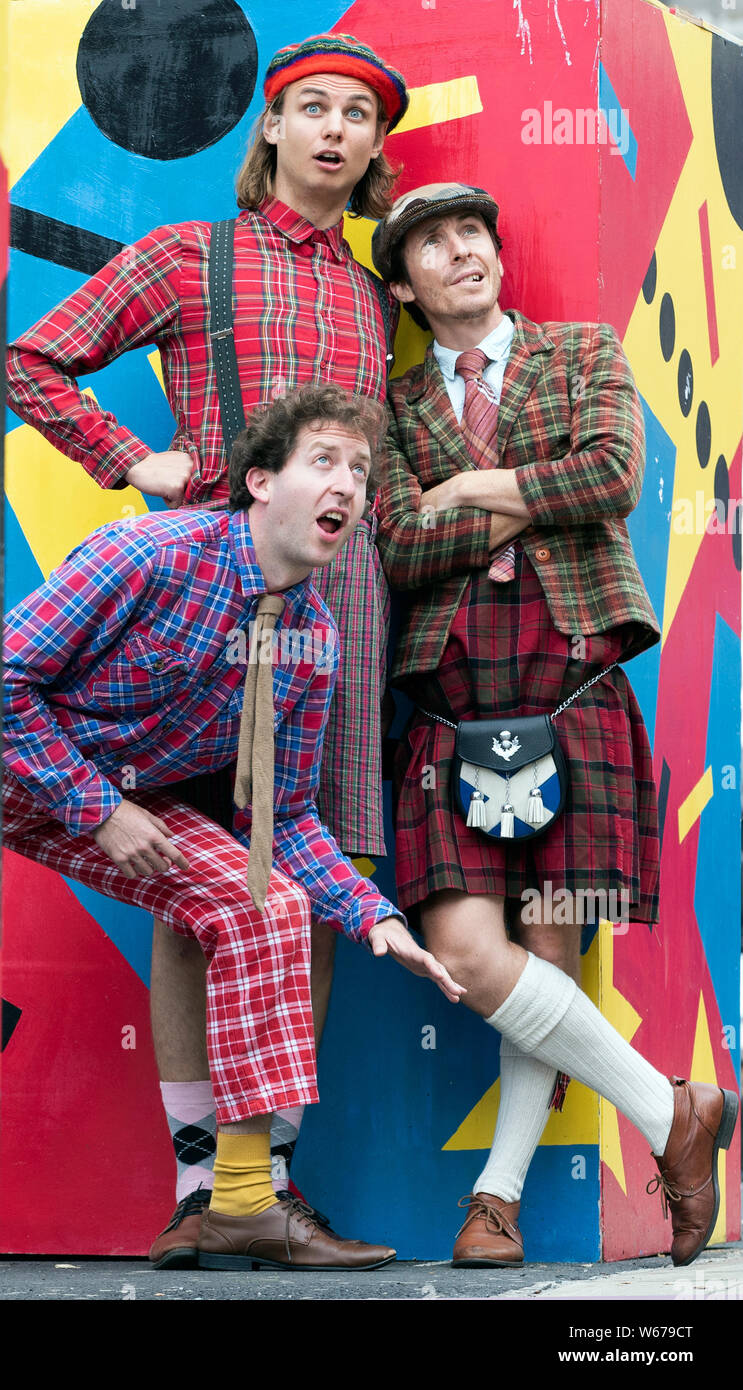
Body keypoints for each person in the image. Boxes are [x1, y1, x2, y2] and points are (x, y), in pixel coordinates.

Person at [5, 33, 408, 1262]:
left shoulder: (374, 295)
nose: (336, 131)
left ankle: (264, 1182)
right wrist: (133, 460)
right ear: (271, 130)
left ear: (377, 150)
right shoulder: (194, 255)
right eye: (313, 109)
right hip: (209, 598)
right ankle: (202, 1190)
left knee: (312, 876)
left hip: (342, 611)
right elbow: (33, 359)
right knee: (205, 884)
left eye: (359, 117)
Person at [2, 383, 465, 1270]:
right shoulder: (149, 552)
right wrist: (100, 812)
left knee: (267, 901)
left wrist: (374, 917)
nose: (346, 486)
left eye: (360, 473)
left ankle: (244, 1199)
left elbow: (279, 817)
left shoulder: (312, 638)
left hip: (119, 795)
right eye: (323, 462)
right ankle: (225, 1194)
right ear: (259, 482)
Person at [371, 182, 739, 1268]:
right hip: (448, 699)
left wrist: (473, 488)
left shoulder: (581, 350)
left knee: (548, 947)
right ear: (403, 284)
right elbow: (396, 543)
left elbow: (614, 475)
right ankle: (674, 1111)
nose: (461, 252)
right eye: (432, 245)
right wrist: (539, 492)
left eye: (473, 232)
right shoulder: (391, 408)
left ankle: (496, 1199)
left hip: (576, 679)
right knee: (470, 953)